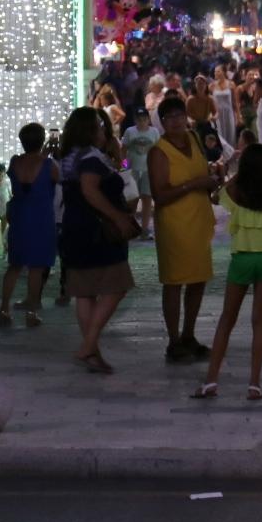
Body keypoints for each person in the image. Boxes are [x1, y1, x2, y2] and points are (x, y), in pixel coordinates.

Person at [191, 142, 262, 401]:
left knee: (227, 319)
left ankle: (211, 381)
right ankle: (254, 384)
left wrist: (233, 176)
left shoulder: (235, 190)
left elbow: (215, 196)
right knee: (260, 322)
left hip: (242, 257)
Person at [59, 106, 137, 373]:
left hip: (75, 230)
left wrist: (118, 158)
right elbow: (90, 190)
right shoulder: (91, 159)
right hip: (97, 231)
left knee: (85, 291)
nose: (104, 130)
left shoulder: (70, 157)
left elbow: (117, 173)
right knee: (117, 285)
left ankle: (92, 352)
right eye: (100, 126)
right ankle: (88, 345)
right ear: (89, 130)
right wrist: (117, 217)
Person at [149, 94, 219, 362]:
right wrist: (194, 185)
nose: (176, 122)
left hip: (199, 219)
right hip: (174, 224)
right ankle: (174, 340)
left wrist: (210, 181)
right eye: (169, 118)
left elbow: (201, 171)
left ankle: (189, 334)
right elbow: (160, 195)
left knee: (198, 279)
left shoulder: (194, 138)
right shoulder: (158, 152)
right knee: (174, 282)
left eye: (179, 116)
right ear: (162, 122)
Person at [0, 123, 58, 327]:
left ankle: (3, 309)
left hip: (20, 217)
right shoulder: (49, 165)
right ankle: (31, 312)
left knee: (14, 266)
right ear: (42, 140)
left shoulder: (15, 162)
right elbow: (58, 178)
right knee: (36, 268)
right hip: (41, 218)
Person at [121, 106, 162, 238]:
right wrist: (124, 167)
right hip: (132, 169)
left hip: (148, 169)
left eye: (144, 119)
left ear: (148, 119)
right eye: (139, 119)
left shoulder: (154, 132)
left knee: (147, 199)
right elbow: (123, 150)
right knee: (132, 199)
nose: (142, 122)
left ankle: (145, 229)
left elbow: (158, 150)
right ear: (135, 120)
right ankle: (130, 227)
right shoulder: (130, 131)